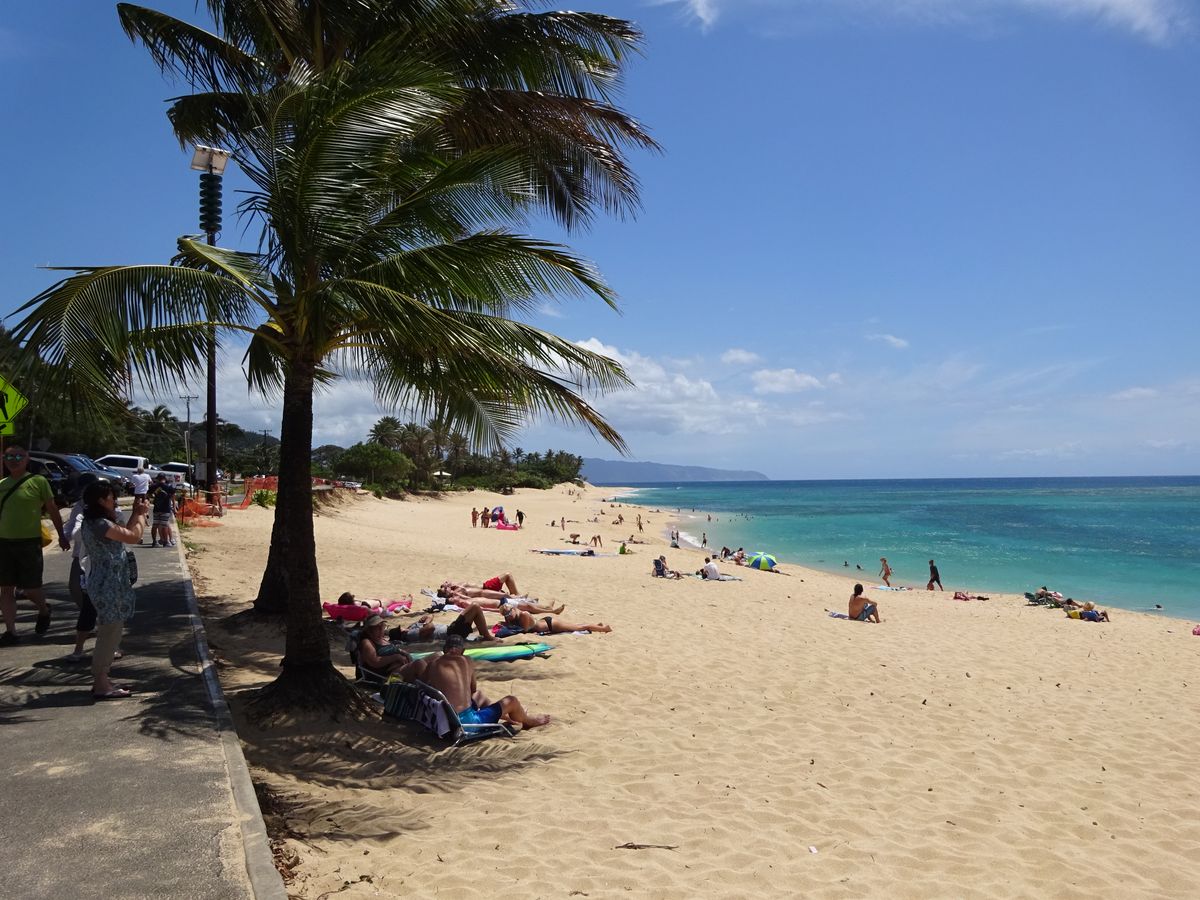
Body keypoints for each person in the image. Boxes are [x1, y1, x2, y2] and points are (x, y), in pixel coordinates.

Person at [79, 482, 149, 698]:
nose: (115, 501)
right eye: (112, 498)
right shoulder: (100, 524)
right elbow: (133, 536)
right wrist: (141, 515)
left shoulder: (96, 522)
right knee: (109, 632)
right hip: (107, 582)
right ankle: (101, 681)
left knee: (111, 630)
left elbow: (124, 532)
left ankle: (102, 679)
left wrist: (135, 514)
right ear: (101, 500)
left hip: (106, 581)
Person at [402, 633, 549, 729]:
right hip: (467, 723)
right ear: (462, 651)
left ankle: (506, 716)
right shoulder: (466, 660)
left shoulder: (433, 664)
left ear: (444, 649)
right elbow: (472, 689)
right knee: (512, 700)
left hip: (444, 719)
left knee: (479, 696)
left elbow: (423, 684)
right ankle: (528, 721)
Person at [0, 445, 70, 645]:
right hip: (4, 543)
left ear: (27, 459)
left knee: (31, 588)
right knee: (6, 588)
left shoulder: (38, 481)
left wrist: (62, 535)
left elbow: (52, 509)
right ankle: (11, 631)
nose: (13, 460)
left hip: (29, 543)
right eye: (9, 456)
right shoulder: (2, 484)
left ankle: (44, 609)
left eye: (18, 456)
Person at [389, 603, 495, 643]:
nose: (402, 628)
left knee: (474, 609)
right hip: (451, 633)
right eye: (400, 629)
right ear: (401, 633)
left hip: (452, 629)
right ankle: (487, 637)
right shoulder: (410, 634)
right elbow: (430, 627)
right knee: (475, 607)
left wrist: (425, 620)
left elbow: (430, 616)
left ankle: (485, 635)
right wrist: (426, 622)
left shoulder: (411, 628)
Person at [501, 608, 612, 635]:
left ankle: (604, 628)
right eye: (505, 615)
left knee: (579, 628)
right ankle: (597, 626)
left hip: (551, 625)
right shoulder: (512, 616)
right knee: (574, 626)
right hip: (545, 622)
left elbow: (526, 630)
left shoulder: (524, 614)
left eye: (508, 613)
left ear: (512, 610)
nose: (508, 616)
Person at [149, 474, 176, 547]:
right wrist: (174, 507)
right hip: (165, 508)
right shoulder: (168, 487)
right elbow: (173, 495)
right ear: (164, 478)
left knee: (155, 525)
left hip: (156, 508)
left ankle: (154, 542)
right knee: (164, 525)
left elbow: (149, 495)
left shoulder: (154, 486)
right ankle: (166, 542)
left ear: (158, 479)